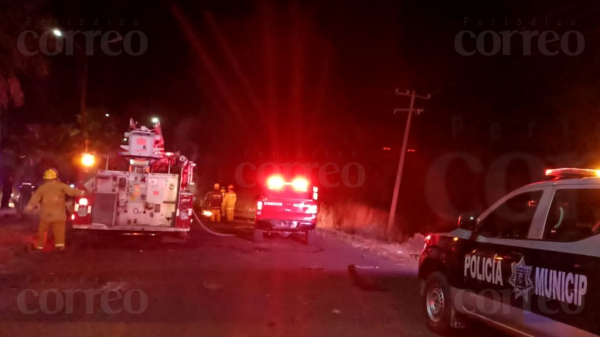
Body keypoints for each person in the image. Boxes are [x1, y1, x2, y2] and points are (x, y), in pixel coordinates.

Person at [25, 169, 86, 251]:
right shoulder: (61, 186)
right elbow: (72, 192)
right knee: (59, 232)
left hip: (46, 215)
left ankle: (39, 247)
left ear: (45, 178)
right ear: (55, 178)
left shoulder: (42, 188)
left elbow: (34, 198)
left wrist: (29, 208)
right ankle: (60, 246)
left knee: (42, 231)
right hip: (59, 215)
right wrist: (84, 193)